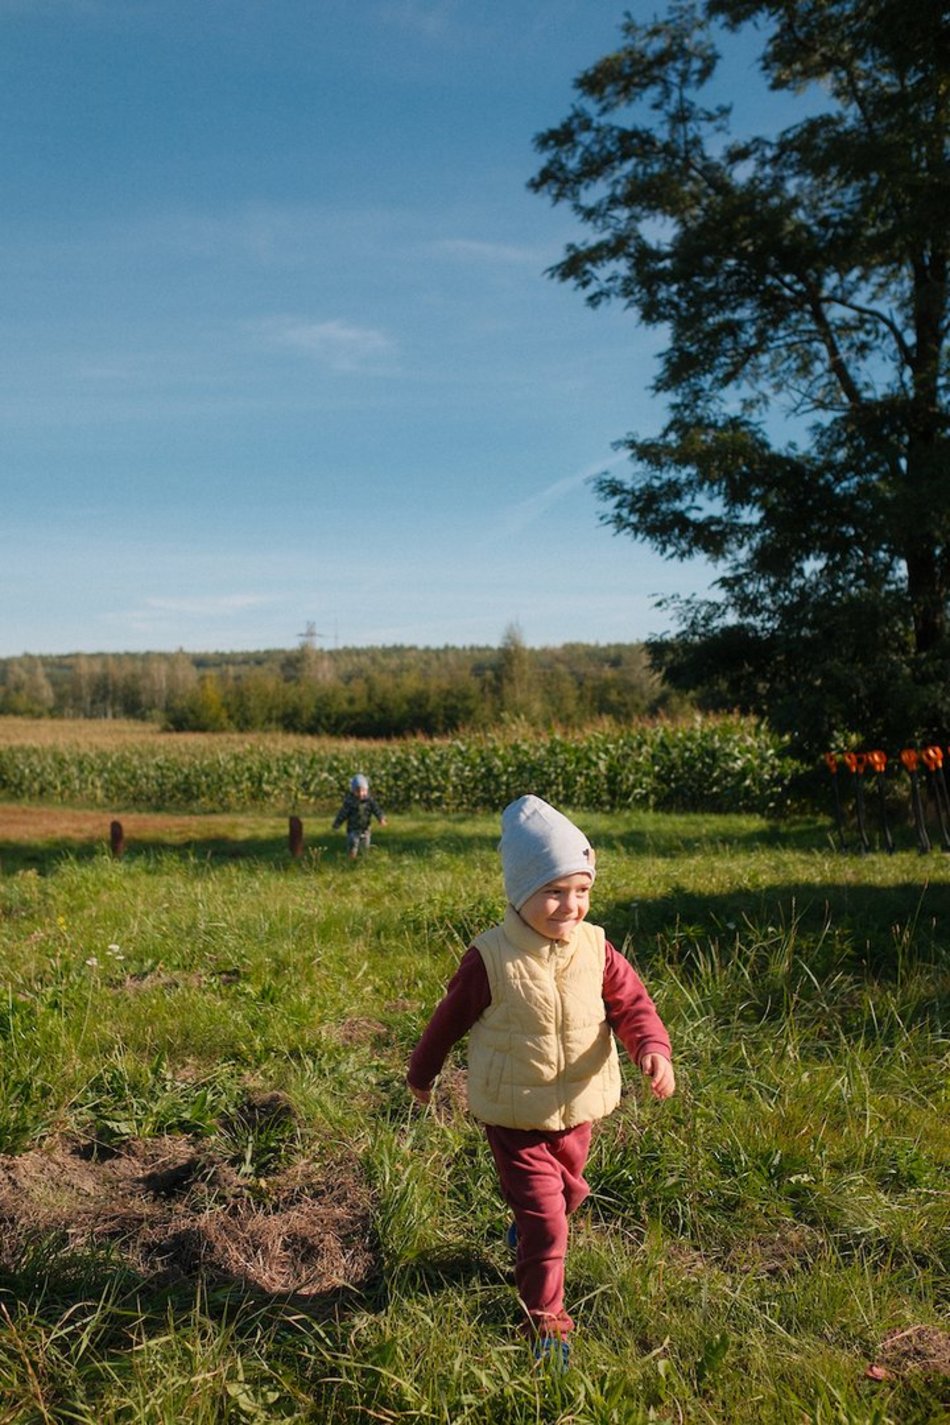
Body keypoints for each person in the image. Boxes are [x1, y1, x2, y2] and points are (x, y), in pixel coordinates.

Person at [407, 794, 674, 1363]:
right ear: (520, 893)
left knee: (568, 1194)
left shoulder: (597, 949)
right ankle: (545, 1324)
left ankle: (529, 1230)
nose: (569, 906)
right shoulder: (491, 957)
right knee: (550, 1221)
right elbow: (446, 1020)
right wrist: (422, 1072)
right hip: (514, 1114)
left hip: (577, 1107)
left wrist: (651, 1047)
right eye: (553, 892)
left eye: (581, 891)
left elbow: (633, 1004)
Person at [332, 773, 387, 858]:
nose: (361, 793)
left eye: (363, 791)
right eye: (358, 791)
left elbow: (377, 810)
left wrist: (381, 818)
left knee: (365, 845)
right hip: (353, 828)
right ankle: (351, 857)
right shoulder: (350, 802)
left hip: (365, 828)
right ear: (353, 791)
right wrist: (337, 824)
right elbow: (343, 813)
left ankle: (363, 859)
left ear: (367, 790)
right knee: (353, 842)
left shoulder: (370, 802)